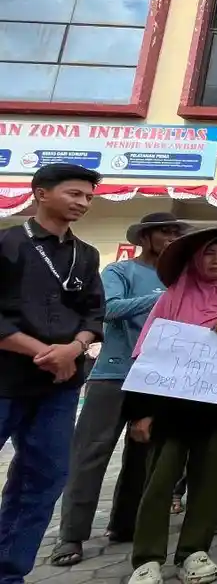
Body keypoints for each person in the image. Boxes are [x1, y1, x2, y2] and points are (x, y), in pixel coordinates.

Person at [123, 227, 217, 584]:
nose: (216, 261)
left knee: (211, 482)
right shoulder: (171, 299)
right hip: (170, 409)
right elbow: (146, 354)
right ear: (195, 259)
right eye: (209, 253)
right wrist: (140, 412)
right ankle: (148, 558)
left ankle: (194, 552)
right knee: (159, 482)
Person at [51, 213, 187, 568]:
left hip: (157, 377)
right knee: (91, 454)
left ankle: (125, 526)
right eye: (164, 232)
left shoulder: (181, 277)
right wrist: (159, 299)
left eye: (176, 232)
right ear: (146, 237)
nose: (172, 237)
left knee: (143, 455)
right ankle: (71, 535)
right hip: (113, 374)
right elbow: (108, 310)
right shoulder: (120, 272)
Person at [0, 164, 105, 584]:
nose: (82, 203)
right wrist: (45, 351)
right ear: (41, 193)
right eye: (75, 194)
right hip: (6, 378)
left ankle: (9, 571)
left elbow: (94, 313)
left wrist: (74, 349)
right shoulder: (7, 244)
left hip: (60, 386)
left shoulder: (87, 253)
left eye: (88, 198)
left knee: (43, 477)